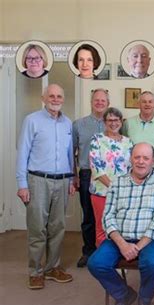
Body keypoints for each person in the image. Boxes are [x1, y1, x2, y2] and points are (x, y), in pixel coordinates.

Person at [87, 143, 154, 305]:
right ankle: (123, 295)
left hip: (150, 239)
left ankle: (145, 300)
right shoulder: (118, 182)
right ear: (130, 159)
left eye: (146, 158)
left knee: (153, 264)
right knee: (96, 263)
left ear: (153, 161)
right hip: (120, 238)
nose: (141, 162)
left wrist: (138, 246)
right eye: (137, 157)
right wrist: (122, 244)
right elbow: (107, 217)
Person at [16, 84, 75, 290]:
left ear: (63, 99)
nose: (56, 99)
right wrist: (22, 184)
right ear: (44, 98)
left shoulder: (68, 123)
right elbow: (22, 153)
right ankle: (35, 271)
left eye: (59, 96)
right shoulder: (32, 120)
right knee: (37, 228)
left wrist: (71, 179)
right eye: (52, 95)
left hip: (62, 180)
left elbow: (70, 155)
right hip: (37, 180)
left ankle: (52, 268)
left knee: (57, 227)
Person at [73, 88, 109, 267]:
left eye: (103, 100)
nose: (100, 103)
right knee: (88, 215)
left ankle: (106, 250)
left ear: (108, 103)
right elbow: (71, 152)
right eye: (97, 100)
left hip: (110, 176)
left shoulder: (114, 123)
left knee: (107, 214)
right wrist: (75, 176)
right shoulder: (79, 124)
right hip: (87, 174)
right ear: (91, 102)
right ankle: (88, 251)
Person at [89, 107, 133, 248]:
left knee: (120, 228)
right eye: (110, 120)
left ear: (121, 122)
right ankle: (102, 260)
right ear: (104, 122)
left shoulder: (128, 142)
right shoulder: (97, 139)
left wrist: (123, 189)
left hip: (124, 193)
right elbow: (96, 167)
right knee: (102, 227)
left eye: (116, 120)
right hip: (101, 192)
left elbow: (131, 168)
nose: (113, 123)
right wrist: (114, 187)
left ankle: (119, 261)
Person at [122, 91, 154, 173]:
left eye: (150, 102)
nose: (147, 104)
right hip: (133, 170)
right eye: (144, 102)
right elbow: (123, 145)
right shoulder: (128, 123)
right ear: (138, 104)